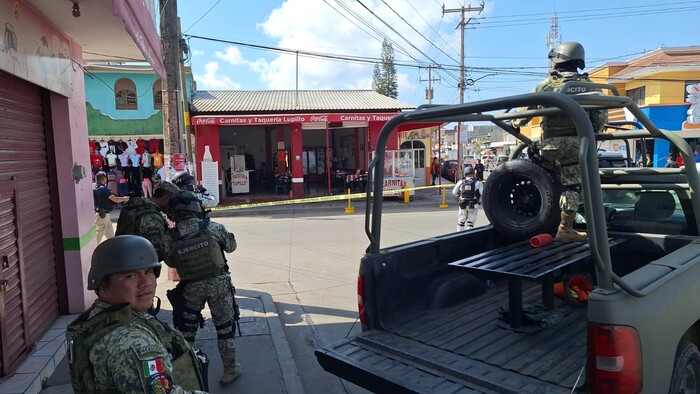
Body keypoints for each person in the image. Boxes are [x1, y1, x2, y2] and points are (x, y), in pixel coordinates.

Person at [66, 235, 206, 393]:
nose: (145, 283)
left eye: (148, 272)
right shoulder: (132, 343)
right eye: (130, 276)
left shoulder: (100, 318)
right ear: (103, 287)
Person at [513, 41, 607, 242]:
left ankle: (538, 210)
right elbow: (600, 117)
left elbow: (523, 115)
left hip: (549, 148)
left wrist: (514, 123)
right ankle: (565, 227)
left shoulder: (546, 85)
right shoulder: (588, 85)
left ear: (558, 60)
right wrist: (591, 135)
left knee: (540, 165)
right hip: (576, 146)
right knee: (571, 186)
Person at [164, 194, 240, 386]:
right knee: (224, 329)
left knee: (187, 333)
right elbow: (231, 246)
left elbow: (171, 261)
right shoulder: (212, 227)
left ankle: (189, 374)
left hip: (191, 288)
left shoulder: (171, 237)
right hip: (219, 285)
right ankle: (230, 370)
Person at [115, 181, 180, 260]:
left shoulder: (136, 205)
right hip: (138, 264)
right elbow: (156, 254)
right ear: (166, 197)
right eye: (174, 201)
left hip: (123, 257)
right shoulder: (152, 217)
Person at [93, 172, 129, 243]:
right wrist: (124, 198)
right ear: (104, 179)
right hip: (102, 215)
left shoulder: (93, 186)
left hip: (102, 214)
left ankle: (114, 248)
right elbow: (114, 199)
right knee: (98, 237)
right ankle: (92, 251)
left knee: (111, 236)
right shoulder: (103, 189)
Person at [452, 166, 483, 231]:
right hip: (473, 205)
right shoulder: (478, 183)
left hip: (462, 204)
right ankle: (469, 237)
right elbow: (483, 193)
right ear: (473, 173)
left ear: (465, 174)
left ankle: (459, 237)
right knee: (470, 223)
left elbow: (454, 192)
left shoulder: (460, 182)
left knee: (461, 223)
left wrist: (459, 197)